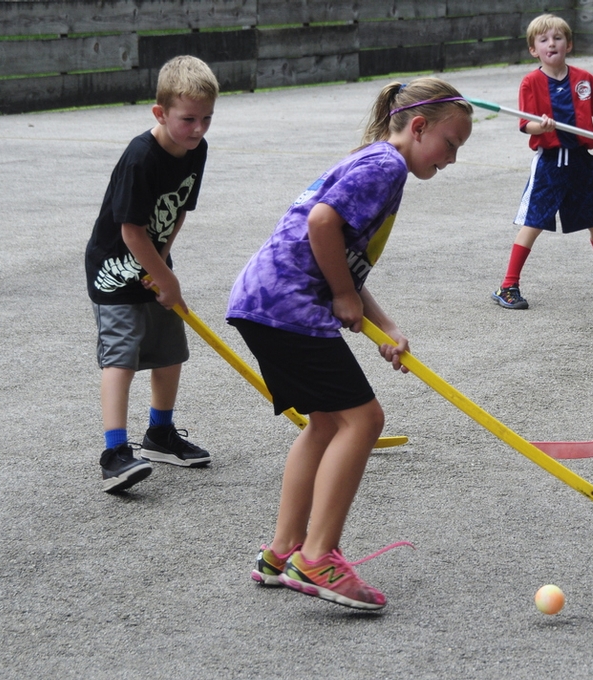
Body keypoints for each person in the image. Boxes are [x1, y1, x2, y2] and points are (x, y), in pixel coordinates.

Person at [227, 78, 473, 610]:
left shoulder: (376, 161)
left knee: (325, 422)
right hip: (288, 305)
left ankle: (282, 550)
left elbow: (343, 253)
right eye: (450, 144)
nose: (452, 159)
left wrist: (382, 325)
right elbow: (321, 224)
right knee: (364, 420)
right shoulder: (386, 167)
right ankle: (316, 558)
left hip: (263, 300)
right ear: (419, 126)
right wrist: (341, 294)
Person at [85, 55, 219, 494]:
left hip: (152, 261)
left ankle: (160, 435)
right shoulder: (141, 156)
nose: (197, 129)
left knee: (169, 351)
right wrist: (166, 277)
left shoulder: (195, 151)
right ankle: (115, 453)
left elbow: (177, 212)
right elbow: (129, 231)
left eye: (206, 119)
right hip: (114, 267)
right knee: (121, 355)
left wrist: (162, 263)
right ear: (160, 113)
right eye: (187, 119)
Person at [491, 13, 593, 310]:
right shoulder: (530, 82)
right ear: (533, 49)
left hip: (581, 161)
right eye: (543, 40)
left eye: (557, 38)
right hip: (550, 164)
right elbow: (525, 125)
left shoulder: (584, 80)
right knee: (534, 222)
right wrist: (540, 127)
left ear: (569, 44)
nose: (551, 44)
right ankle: (508, 285)